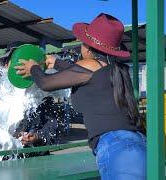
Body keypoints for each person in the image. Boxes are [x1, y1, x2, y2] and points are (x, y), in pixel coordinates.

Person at [15, 13, 146, 179]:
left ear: (89, 48)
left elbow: (46, 83)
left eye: (84, 42)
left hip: (117, 146)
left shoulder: (91, 65)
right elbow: (81, 74)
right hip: (138, 142)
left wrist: (33, 68)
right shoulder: (118, 70)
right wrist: (56, 62)